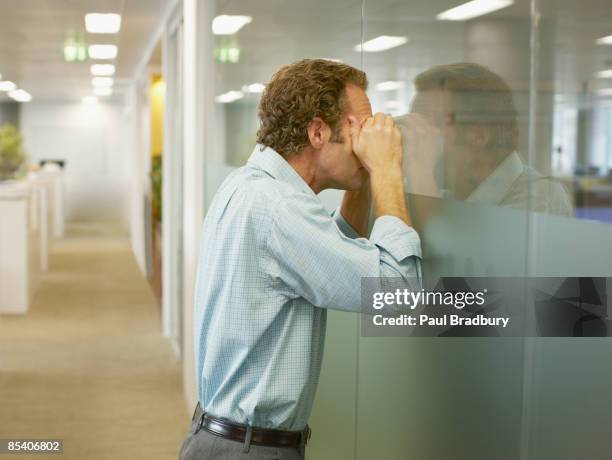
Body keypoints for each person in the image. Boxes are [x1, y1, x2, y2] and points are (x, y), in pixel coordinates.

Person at [178, 59, 422, 460]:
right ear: (318, 131)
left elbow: (332, 252)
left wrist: (362, 176)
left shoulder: (251, 186)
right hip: (248, 450)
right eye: (357, 128)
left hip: (228, 440)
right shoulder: (277, 208)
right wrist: (387, 172)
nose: (365, 141)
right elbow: (397, 293)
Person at [397, 62, 572, 216]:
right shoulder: (447, 195)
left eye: (427, 123)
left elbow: (449, 250)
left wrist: (420, 171)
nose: (417, 135)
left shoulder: (540, 198)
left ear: (479, 136)